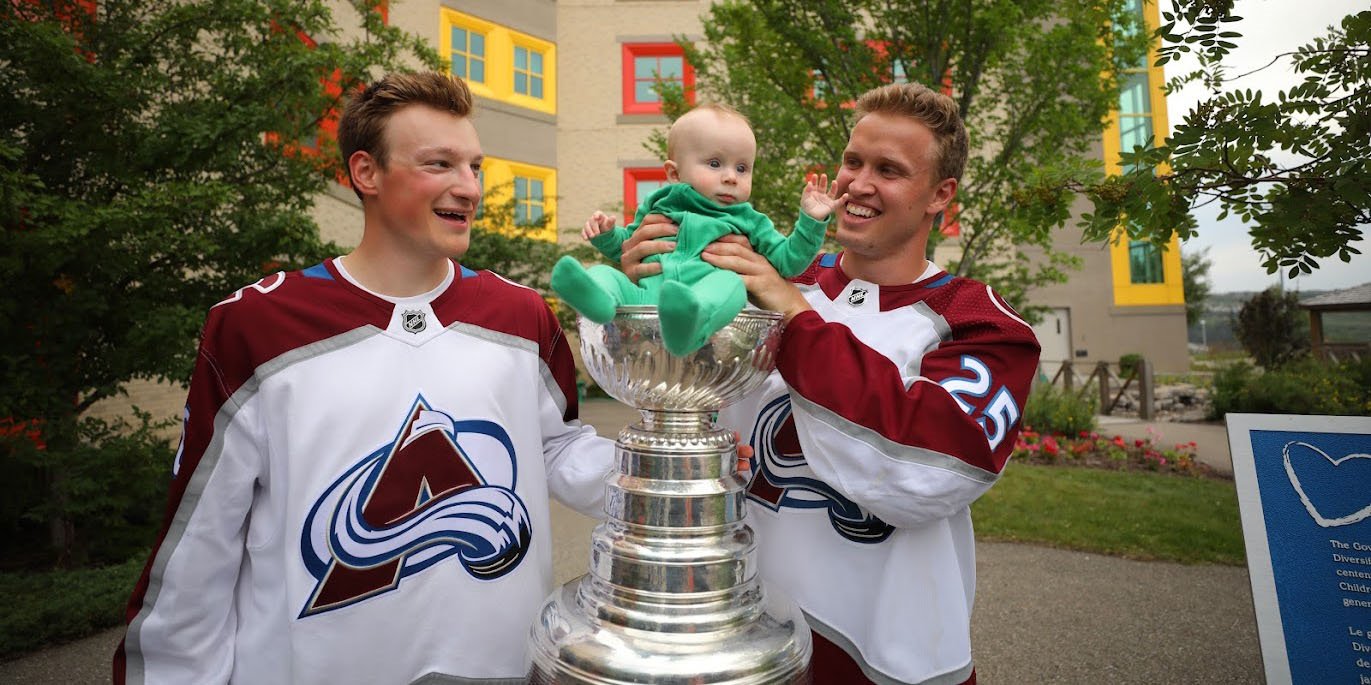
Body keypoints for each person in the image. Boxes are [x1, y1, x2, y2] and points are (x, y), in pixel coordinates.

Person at [114, 71, 616, 685]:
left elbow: (558, 448)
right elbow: (201, 545)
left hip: (501, 666)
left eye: (476, 167)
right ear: (366, 173)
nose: (468, 187)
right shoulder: (257, 324)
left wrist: (683, 479)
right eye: (440, 164)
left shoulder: (521, 314)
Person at [622, 82, 1041, 685]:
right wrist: (649, 293)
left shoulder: (979, 321)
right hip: (734, 631)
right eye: (853, 161)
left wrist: (796, 318)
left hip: (882, 652)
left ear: (940, 195)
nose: (858, 184)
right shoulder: (751, 279)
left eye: (889, 170)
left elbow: (927, 473)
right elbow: (672, 400)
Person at [549, 104, 843, 356]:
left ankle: (692, 322)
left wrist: (811, 222)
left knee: (730, 287)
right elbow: (626, 248)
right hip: (645, 299)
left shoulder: (749, 220)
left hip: (704, 297)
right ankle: (599, 300)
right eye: (715, 164)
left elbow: (789, 262)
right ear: (674, 173)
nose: (730, 177)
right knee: (606, 275)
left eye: (743, 168)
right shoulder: (658, 205)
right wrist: (606, 235)